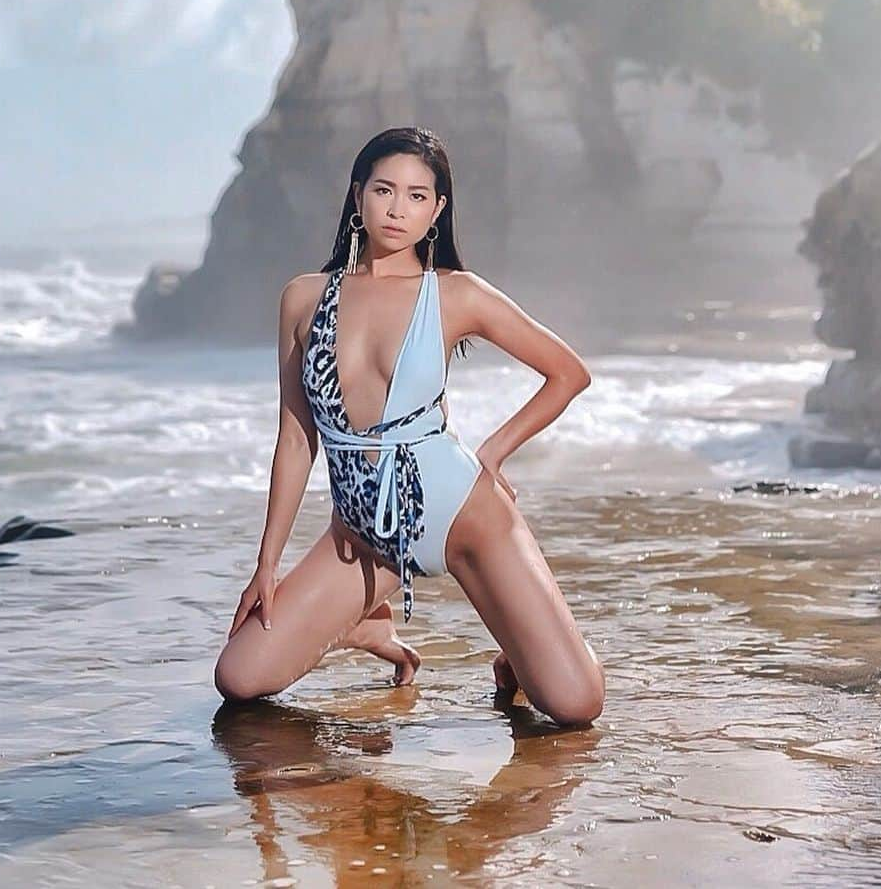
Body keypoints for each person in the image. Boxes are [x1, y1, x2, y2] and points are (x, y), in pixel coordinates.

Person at [213, 126, 605, 727]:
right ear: (357, 195)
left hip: (463, 514)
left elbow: (567, 374)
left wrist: (493, 454)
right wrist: (266, 566)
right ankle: (367, 623)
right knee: (239, 678)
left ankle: (517, 657)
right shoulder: (303, 298)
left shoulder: (457, 294)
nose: (398, 209)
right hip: (363, 533)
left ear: (438, 211)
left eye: (418, 196)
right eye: (385, 191)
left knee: (576, 707)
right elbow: (296, 440)